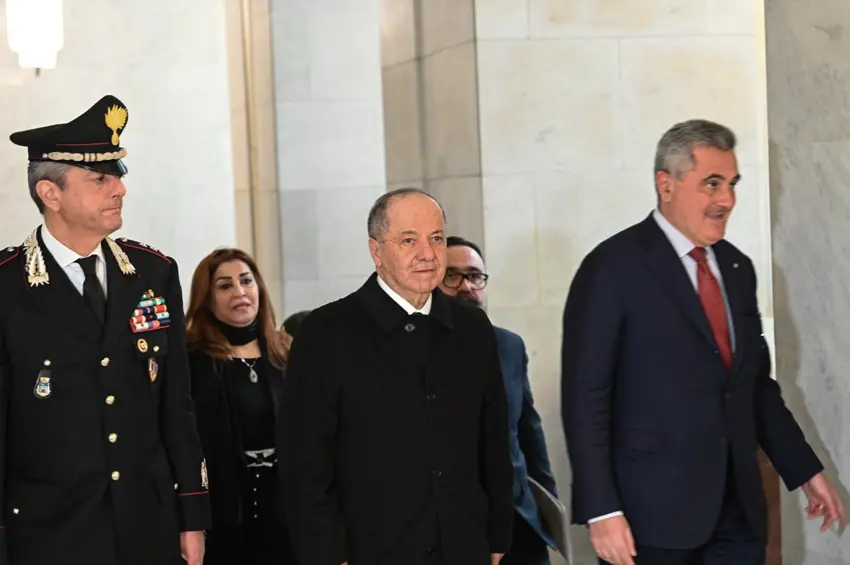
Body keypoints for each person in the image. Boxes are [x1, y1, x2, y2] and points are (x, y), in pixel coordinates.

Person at [561, 119, 846, 565]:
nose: (727, 200)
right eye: (712, 184)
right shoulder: (612, 268)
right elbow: (586, 398)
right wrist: (602, 510)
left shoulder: (737, 268)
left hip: (738, 518)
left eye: (732, 184)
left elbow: (754, 386)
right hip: (649, 521)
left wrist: (805, 470)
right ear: (666, 185)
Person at [0, 95, 209, 565]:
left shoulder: (153, 273)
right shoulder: (8, 286)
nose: (120, 189)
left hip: (147, 525)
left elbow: (177, 404)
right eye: (100, 179)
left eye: (118, 175)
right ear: (50, 194)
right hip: (49, 534)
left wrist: (192, 515)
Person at [280, 187, 514, 565]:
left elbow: (494, 440)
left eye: (436, 238)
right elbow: (304, 463)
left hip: (464, 546)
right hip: (368, 550)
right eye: (408, 240)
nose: (427, 253)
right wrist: (326, 554)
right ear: (376, 251)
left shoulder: (472, 327)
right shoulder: (326, 333)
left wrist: (497, 536)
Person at [439, 236, 558, 565]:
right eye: (452, 276)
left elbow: (529, 432)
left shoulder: (509, 346)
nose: (466, 286)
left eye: (475, 276)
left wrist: (550, 508)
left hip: (519, 523)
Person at [185, 248, 297, 565]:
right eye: (225, 285)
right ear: (207, 299)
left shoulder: (286, 352)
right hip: (224, 514)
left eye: (246, 281)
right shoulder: (192, 360)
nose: (240, 292)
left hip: (286, 512)